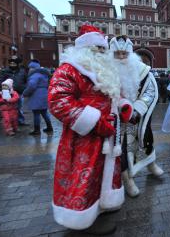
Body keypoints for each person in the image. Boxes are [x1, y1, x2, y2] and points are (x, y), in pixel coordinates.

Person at [48, 25, 123, 234]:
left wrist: (123, 106)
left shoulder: (105, 69)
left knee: (104, 173)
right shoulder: (69, 69)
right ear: (84, 49)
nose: (101, 53)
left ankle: (102, 206)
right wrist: (96, 122)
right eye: (96, 49)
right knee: (85, 176)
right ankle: (83, 218)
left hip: (108, 135)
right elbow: (58, 101)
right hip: (84, 138)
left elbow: (113, 94)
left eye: (102, 49)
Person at [110, 35, 164, 198]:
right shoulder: (106, 71)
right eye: (117, 54)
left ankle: (151, 164)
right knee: (121, 150)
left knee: (145, 140)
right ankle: (127, 179)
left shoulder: (142, 70)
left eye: (124, 54)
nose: (121, 57)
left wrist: (138, 109)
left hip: (137, 117)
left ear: (130, 53)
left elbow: (151, 91)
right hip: (117, 119)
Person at [23, 60, 53, 135]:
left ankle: (37, 130)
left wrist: (25, 93)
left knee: (36, 113)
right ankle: (49, 127)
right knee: (44, 112)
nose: (29, 69)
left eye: (30, 68)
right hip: (44, 94)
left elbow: (32, 86)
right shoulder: (43, 74)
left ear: (33, 68)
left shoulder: (35, 75)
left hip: (36, 95)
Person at [0, 56, 27, 125]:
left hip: (19, 92)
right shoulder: (4, 71)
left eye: (14, 64)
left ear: (17, 64)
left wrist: (24, 87)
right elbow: (0, 81)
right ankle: (12, 121)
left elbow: (26, 80)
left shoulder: (22, 71)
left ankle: (20, 121)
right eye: (11, 63)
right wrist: (4, 88)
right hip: (9, 93)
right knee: (10, 108)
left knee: (19, 107)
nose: (12, 65)